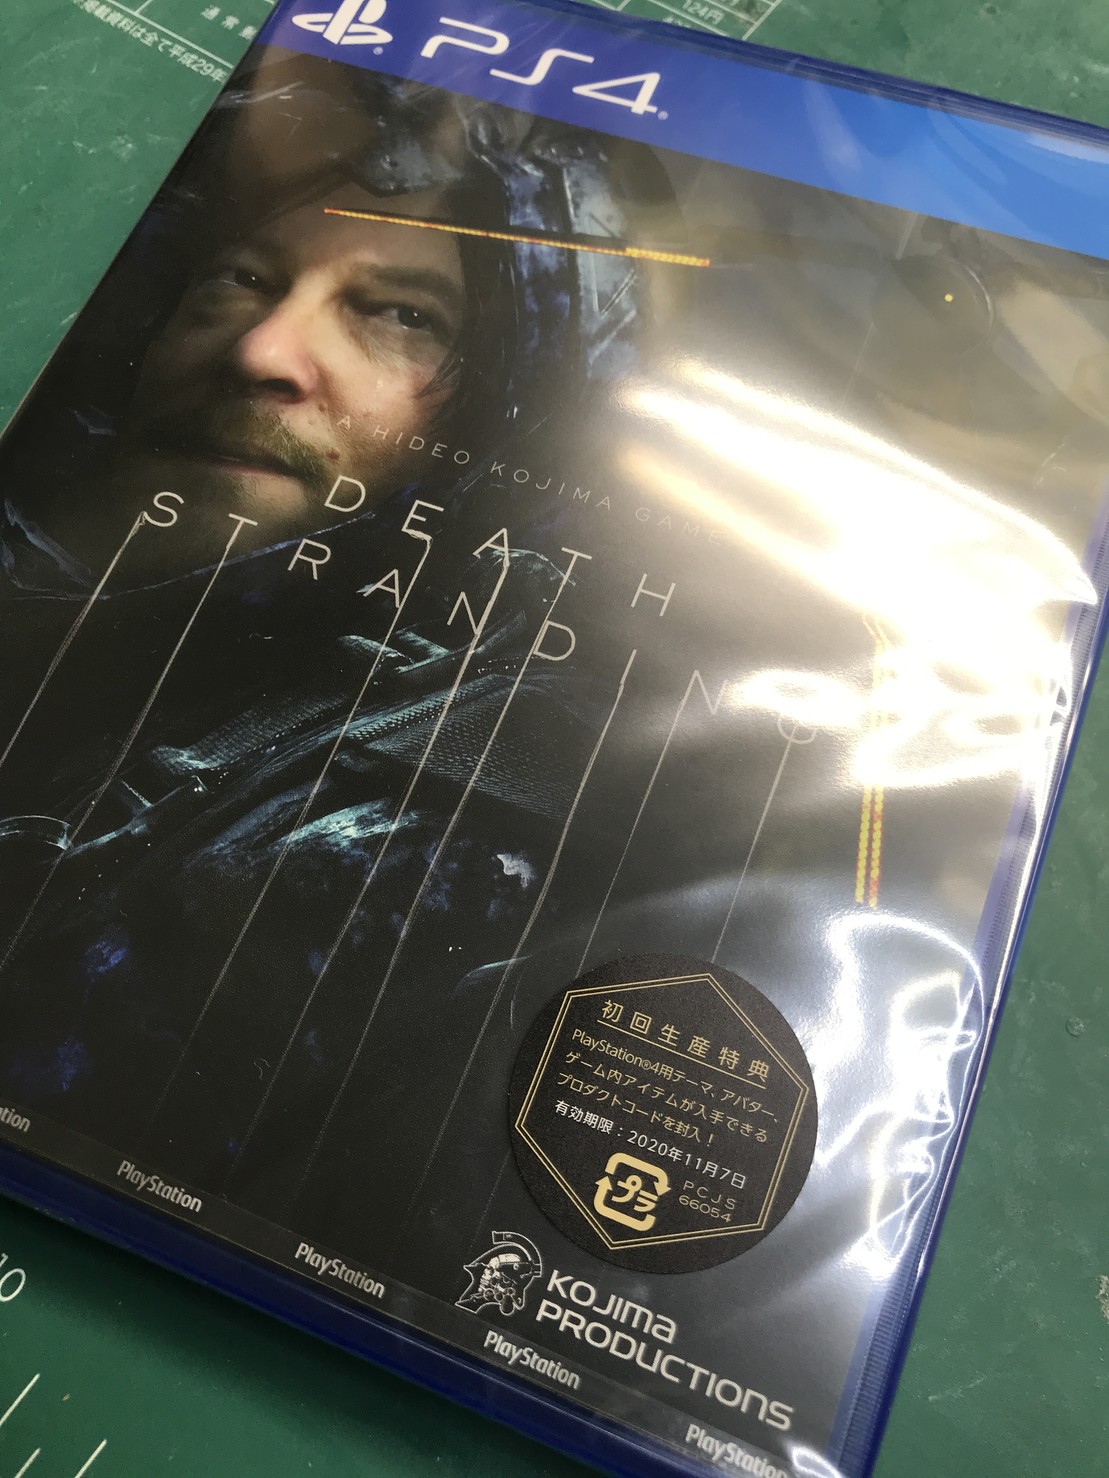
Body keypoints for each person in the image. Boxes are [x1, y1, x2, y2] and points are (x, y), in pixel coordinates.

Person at [0, 50, 679, 1263]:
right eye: (238, 278)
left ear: (504, 415)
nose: (265, 348)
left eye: (398, 312)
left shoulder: (421, 842)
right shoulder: (62, 599)